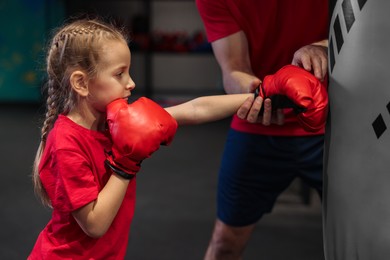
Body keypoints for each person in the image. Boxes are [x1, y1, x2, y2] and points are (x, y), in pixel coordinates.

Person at [28, 18, 258, 260]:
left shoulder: (115, 121)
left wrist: (259, 96)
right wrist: (124, 164)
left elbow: (194, 110)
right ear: (81, 83)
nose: (131, 83)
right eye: (119, 74)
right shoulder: (66, 144)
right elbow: (94, 225)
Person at [195, 0, 329, 259]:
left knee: (359, 240)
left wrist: (322, 47)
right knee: (224, 243)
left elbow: (368, 29)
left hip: (333, 128)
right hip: (258, 127)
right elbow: (234, 69)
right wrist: (262, 91)